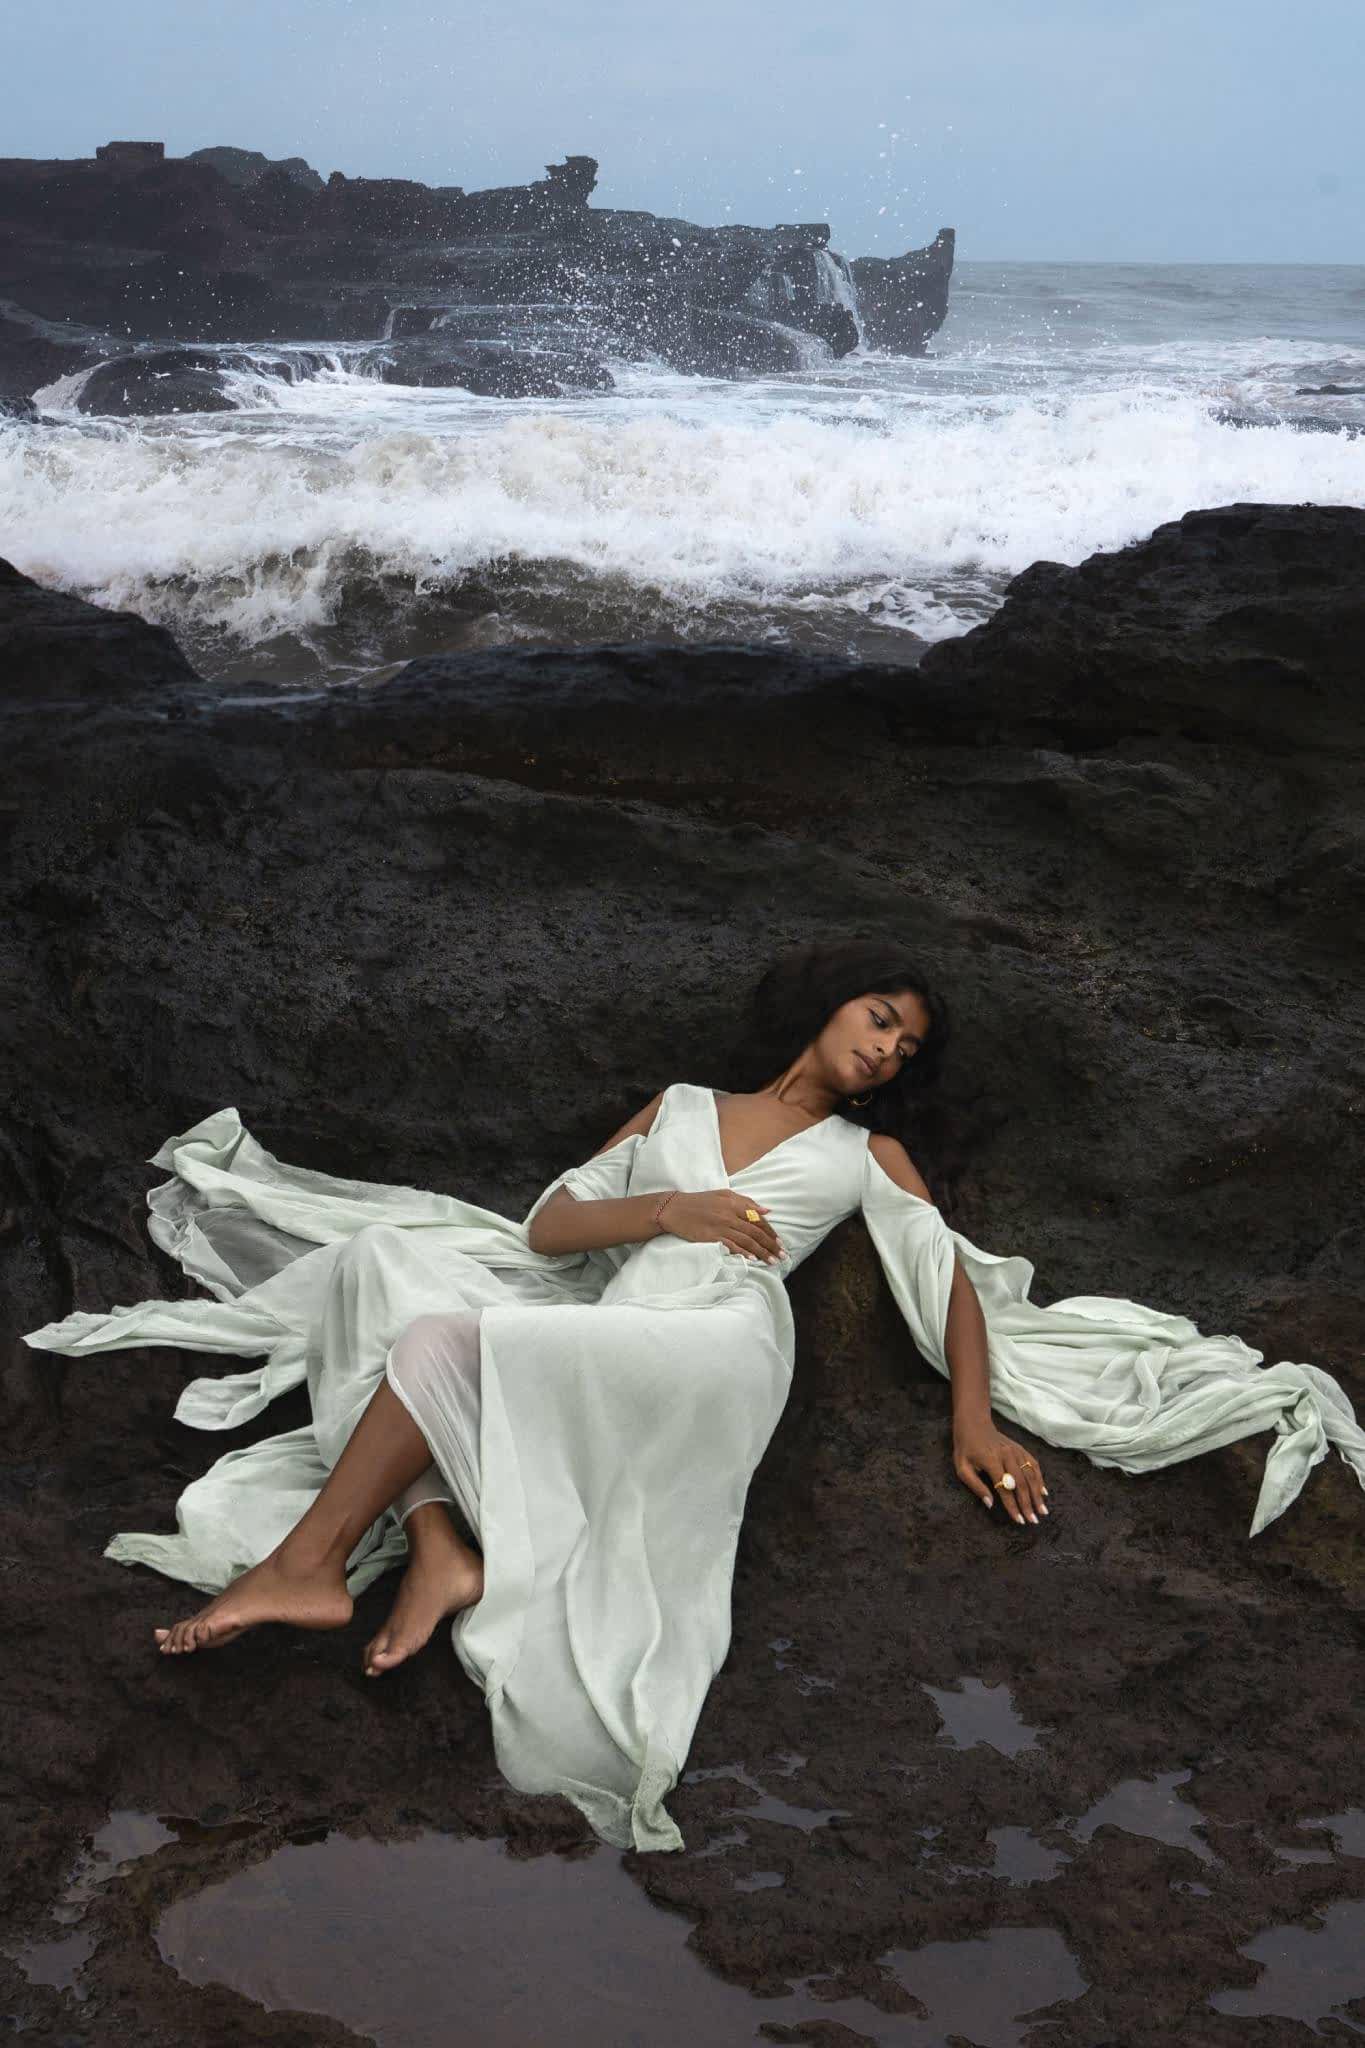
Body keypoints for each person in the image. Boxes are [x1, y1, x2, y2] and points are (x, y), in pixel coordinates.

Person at [22, 935, 1365, 1855]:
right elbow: (551, 1224)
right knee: (389, 1274)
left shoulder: (860, 1153)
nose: (887, 1047)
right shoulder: (674, 1102)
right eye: (878, 1016)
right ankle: (434, 1550)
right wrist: (660, 1203)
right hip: (617, 1300)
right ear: (829, 1004)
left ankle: (314, 1565)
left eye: (907, 1043)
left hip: (719, 1344)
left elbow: (946, 1281)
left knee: (435, 1348)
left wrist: (973, 1414)